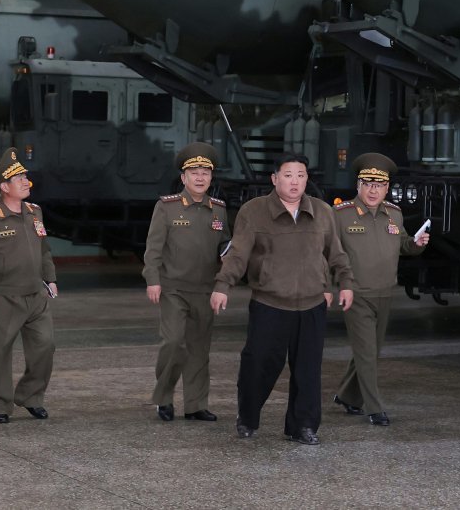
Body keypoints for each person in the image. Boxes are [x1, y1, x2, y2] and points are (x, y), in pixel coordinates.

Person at [210, 153, 354, 445]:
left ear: (307, 180)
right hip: (270, 304)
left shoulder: (323, 212)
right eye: (288, 175)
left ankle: (303, 426)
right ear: (275, 179)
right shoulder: (254, 211)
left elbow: (335, 252)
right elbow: (238, 253)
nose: (295, 182)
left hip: (312, 304)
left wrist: (346, 282)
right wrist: (223, 284)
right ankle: (248, 417)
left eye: (300, 175)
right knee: (258, 365)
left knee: (308, 371)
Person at [331, 153, 429, 426]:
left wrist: (418, 243)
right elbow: (326, 252)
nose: (373, 190)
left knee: (370, 352)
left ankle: (347, 396)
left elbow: (404, 245)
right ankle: (374, 408)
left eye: (379, 185)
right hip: (356, 294)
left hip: (386, 292)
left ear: (386, 188)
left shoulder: (394, 214)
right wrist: (331, 285)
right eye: (368, 183)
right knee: (366, 353)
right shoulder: (340, 214)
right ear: (358, 185)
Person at [143, 142, 231, 423]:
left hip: (205, 289)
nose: (200, 177)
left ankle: (195, 405)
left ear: (211, 177)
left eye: (206, 171)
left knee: (199, 350)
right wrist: (152, 280)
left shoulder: (218, 210)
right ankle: (164, 399)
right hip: (173, 289)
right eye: (194, 171)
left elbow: (226, 248)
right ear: (183, 177)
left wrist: (226, 282)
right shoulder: (166, 208)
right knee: (173, 343)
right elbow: (153, 248)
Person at [0, 147, 57, 424]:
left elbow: (44, 250)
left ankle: (31, 396)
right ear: (4, 186)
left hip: (36, 295)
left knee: (46, 345)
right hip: (3, 298)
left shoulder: (35, 212)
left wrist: (50, 278)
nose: (25, 181)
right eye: (18, 178)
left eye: (25, 177)